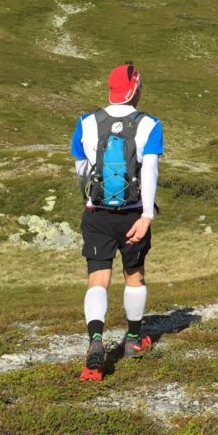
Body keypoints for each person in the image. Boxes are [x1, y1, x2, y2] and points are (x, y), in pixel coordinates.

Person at [71, 62, 164, 381]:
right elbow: (150, 171)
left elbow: (82, 170)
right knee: (134, 275)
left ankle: (96, 341)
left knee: (98, 279)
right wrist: (147, 214)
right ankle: (134, 340)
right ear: (135, 89)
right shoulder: (149, 125)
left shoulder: (86, 123)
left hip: (96, 213)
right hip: (132, 213)